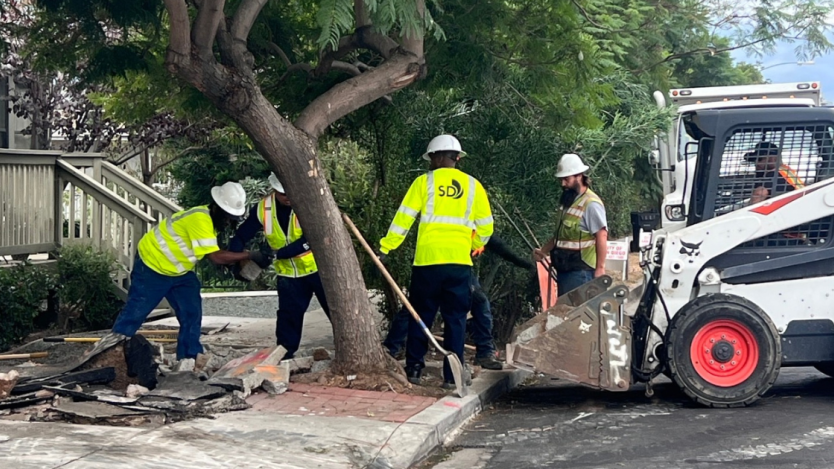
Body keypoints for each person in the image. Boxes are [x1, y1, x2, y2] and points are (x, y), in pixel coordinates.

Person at [378, 134, 494, 388]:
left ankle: (415, 369)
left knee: (421, 316)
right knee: (456, 320)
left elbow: (404, 218)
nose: (430, 161)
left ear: (437, 156)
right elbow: (486, 227)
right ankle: (452, 377)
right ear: (458, 158)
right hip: (459, 264)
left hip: (427, 264)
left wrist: (386, 247)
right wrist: (473, 246)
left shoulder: (423, 183)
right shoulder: (474, 186)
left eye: (431, 157)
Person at [110, 182, 271, 359]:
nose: (228, 221)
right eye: (227, 216)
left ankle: (189, 358)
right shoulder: (200, 219)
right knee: (136, 311)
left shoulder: (209, 220)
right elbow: (216, 257)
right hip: (153, 265)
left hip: (178, 271)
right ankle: (112, 352)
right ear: (217, 207)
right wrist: (248, 255)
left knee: (191, 312)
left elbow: (215, 254)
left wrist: (236, 263)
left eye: (232, 218)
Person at [382, 234, 532, 370]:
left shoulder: (470, 226)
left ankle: (397, 353)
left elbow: (498, 246)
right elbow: (497, 244)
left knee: (417, 307)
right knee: (469, 309)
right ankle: (482, 354)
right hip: (449, 268)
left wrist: (526, 264)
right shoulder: (465, 221)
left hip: (436, 267)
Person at [229, 173, 331, 359]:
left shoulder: (307, 205)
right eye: (283, 193)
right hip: (289, 274)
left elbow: (309, 241)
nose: (289, 197)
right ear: (275, 190)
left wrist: (274, 254)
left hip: (317, 270)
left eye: (291, 192)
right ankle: (284, 357)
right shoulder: (263, 208)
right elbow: (243, 234)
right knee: (288, 318)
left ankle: (349, 351)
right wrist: (235, 258)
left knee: (336, 312)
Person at [533, 153, 608, 295]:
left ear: (579, 175)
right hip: (565, 270)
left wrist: (600, 268)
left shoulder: (591, 204)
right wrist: (543, 251)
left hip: (581, 271)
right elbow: (560, 237)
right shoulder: (568, 202)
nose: (563, 184)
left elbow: (601, 235)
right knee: (566, 312)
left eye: (566, 179)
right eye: (561, 179)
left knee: (575, 313)